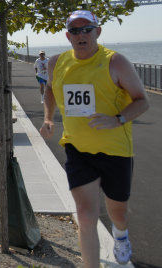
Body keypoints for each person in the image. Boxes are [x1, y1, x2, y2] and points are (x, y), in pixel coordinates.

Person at [39, 10, 149, 268]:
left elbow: (142, 101)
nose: (81, 35)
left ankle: (120, 235)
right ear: (68, 36)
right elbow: (50, 91)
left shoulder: (115, 62)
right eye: (75, 31)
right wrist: (48, 118)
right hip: (77, 148)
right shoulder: (57, 62)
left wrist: (118, 119)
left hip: (115, 150)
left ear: (97, 32)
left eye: (86, 29)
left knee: (117, 212)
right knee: (85, 216)